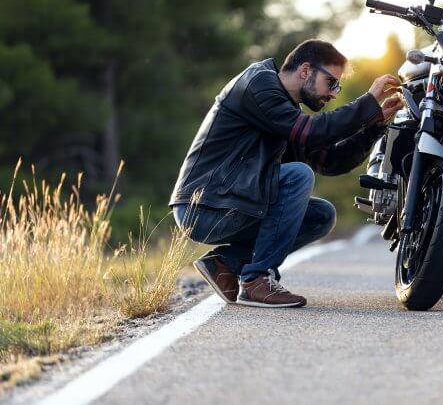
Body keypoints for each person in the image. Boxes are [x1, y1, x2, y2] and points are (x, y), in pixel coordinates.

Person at [170, 40, 402, 308]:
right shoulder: (259, 84)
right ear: (305, 71)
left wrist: (373, 126)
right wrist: (367, 103)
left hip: (233, 201)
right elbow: (313, 132)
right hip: (203, 205)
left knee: (320, 216)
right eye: (332, 83)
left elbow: (331, 162)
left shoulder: (288, 112)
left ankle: (225, 264)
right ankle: (256, 280)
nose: (334, 93)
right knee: (298, 175)